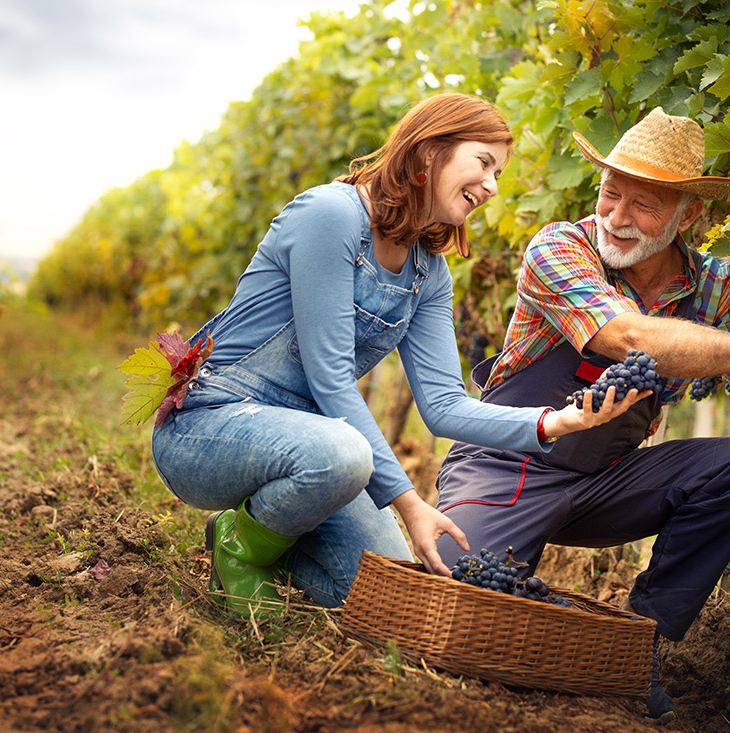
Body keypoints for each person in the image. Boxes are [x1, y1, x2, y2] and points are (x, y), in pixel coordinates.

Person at [432, 107, 730, 721]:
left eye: (642, 205)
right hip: (506, 464)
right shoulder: (562, 247)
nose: (617, 217)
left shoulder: (718, 289)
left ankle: (633, 648)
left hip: (605, 480)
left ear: (688, 216)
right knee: (465, 594)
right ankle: (557, 635)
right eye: (610, 194)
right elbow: (624, 336)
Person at [149, 93, 648, 619]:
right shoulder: (330, 216)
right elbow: (330, 379)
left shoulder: (427, 274)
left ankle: (266, 527)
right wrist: (410, 504)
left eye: (498, 172)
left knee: (386, 605)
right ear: (431, 151)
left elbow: (443, 406)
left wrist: (556, 422)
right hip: (209, 427)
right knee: (344, 456)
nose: (492, 186)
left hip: (312, 447)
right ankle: (241, 549)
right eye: (483, 163)